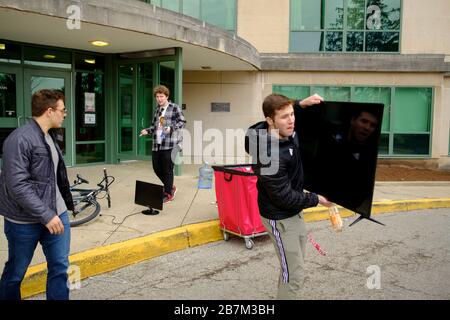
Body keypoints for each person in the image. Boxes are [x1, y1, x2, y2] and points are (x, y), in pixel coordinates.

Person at [245, 93, 333, 300]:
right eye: (285, 116)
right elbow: (283, 197)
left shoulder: (273, 131)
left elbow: (288, 116)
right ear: (270, 121)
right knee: (293, 275)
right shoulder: (268, 156)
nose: (292, 120)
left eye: (292, 114)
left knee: (294, 266)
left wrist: (301, 105)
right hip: (281, 216)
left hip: (294, 213)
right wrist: (317, 199)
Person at [0, 89, 74, 300]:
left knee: (60, 268)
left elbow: (52, 178)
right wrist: (46, 215)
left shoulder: (50, 136)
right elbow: (17, 185)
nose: (65, 114)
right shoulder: (19, 139)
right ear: (49, 111)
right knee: (16, 272)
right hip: (24, 221)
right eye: (62, 110)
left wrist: (58, 211)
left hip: (57, 215)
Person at [140, 85, 186, 204]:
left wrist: (171, 128)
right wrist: (147, 131)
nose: (159, 99)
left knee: (167, 169)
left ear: (167, 96)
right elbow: (155, 126)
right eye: (157, 97)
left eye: (161, 96)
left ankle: (168, 193)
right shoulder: (157, 110)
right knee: (156, 168)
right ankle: (170, 187)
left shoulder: (174, 107)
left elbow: (182, 122)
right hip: (157, 144)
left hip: (170, 144)